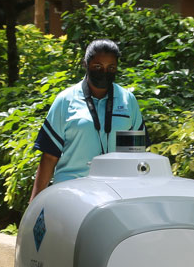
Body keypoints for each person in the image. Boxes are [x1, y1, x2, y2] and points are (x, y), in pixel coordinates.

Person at [29, 39, 146, 201]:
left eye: (111, 67)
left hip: (116, 193)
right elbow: (49, 156)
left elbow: (136, 153)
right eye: (98, 66)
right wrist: (34, 204)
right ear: (85, 64)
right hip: (71, 193)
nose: (104, 72)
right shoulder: (65, 100)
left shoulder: (127, 100)